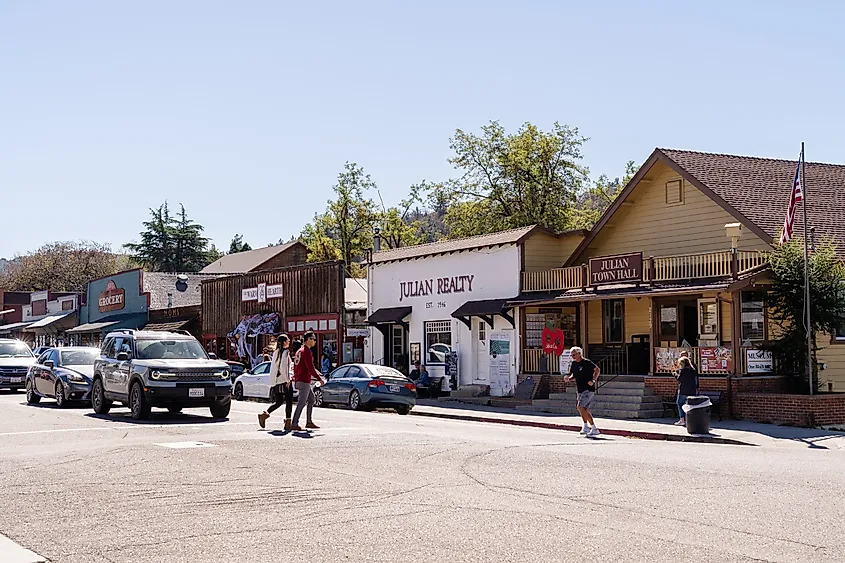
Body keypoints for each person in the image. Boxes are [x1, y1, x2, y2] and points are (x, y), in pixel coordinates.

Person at [258, 335, 294, 431]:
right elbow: (283, 367)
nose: (289, 341)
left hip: (276, 380)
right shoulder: (286, 352)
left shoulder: (276, 352)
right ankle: (288, 421)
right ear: (284, 342)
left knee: (279, 401)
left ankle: (265, 414)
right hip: (284, 380)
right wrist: (287, 380)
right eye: (288, 340)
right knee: (289, 401)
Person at [291, 331, 325, 431]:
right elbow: (310, 368)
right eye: (313, 339)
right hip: (304, 380)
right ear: (308, 339)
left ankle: (309, 421)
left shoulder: (299, 351)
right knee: (301, 402)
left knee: (311, 399)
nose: (315, 341)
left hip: (300, 379)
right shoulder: (306, 351)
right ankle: (294, 423)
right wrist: (319, 379)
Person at [564, 346, 601, 437]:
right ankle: (587, 427)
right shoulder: (574, 364)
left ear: (579, 353)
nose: (572, 356)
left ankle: (593, 428)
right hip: (579, 389)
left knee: (580, 407)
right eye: (571, 355)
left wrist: (593, 380)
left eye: (574, 354)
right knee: (584, 409)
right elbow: (574, 375)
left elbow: (597, 370)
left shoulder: (587, 362)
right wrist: (569, 378)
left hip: (588, 389)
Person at [674, 356, 699, 426]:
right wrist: (697, 387)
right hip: (692, 390)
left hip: (683, 390)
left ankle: (682, 419)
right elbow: (696, 380)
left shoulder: (683, 371)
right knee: (690, 405)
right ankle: (690, 420)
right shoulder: (693, 370)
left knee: (680, 403)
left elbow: (680, 380)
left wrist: (675, 375)